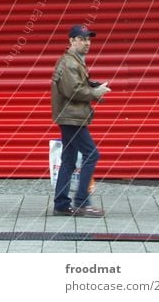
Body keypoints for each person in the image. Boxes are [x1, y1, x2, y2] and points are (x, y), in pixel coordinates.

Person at [50, 24, 110, 217]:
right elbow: (73, 91)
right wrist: (95, 92)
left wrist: (93, 87)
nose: (86, 43)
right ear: (71, 41)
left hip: (71, 117)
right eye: (82, 39)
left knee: (68, 160)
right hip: (71, 118)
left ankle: (61, 204)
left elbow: (76, 85)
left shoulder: (74, 61)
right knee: (92, 154)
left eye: (88, 39)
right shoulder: (69, 63)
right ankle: (82, 202)